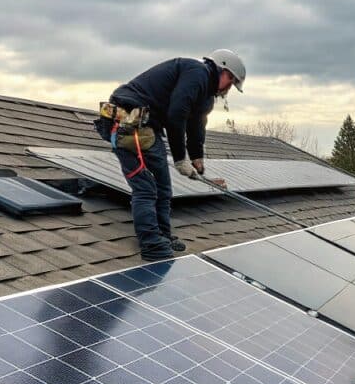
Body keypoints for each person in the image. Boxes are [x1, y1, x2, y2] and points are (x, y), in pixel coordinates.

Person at [96, 49, 246, 261]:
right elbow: (177, 115)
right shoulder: (197, 73)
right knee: (146, 188)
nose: (228, 90)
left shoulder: (206, 94)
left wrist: (197, 158)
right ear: (224, 71)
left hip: (148, 127)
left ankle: (162, 236)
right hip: (128, 120)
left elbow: (196, 125)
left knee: (164, 187)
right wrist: (180, 159)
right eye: (231, 83)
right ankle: (150, 244)